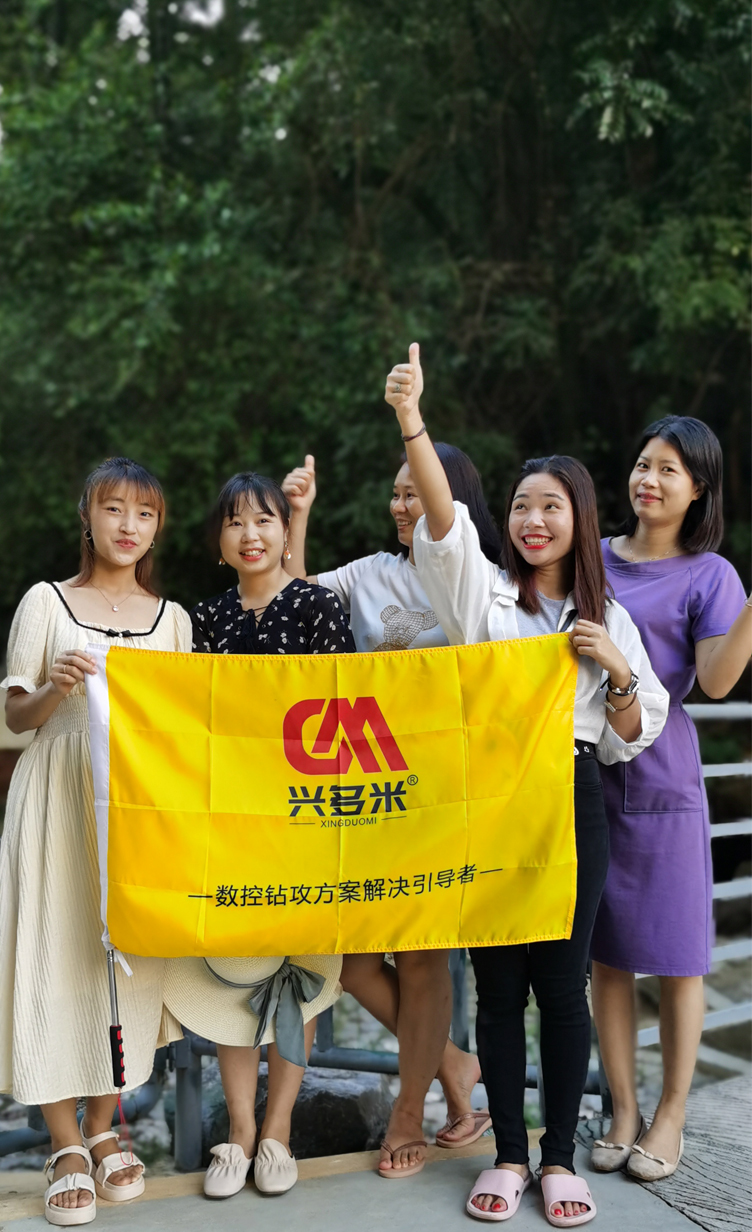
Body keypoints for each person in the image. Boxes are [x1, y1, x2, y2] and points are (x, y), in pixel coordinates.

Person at [385, 344, 669, 1225]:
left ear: (580, 518)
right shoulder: (482, 600)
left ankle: (558, 1158)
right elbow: (442, 525)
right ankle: (508, 1154)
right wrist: (412, 421)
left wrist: (616, 667)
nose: (534, 520)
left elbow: (631, 735)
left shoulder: (607, 616)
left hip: (571, 797)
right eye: (520, 506)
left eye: (551, 506)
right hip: (490, 798)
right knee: (498, 986)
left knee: (563, 984)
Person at [281, 447, 502, 1175]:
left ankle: (410, 1113)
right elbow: (293, 598)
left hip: (439, 792)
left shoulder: (479, 578)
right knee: (353, 964)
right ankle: (455, 1065)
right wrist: (299, 515)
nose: (402, 506)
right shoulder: (369, 572)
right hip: (368, 791)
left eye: (415, 493)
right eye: (396, 493)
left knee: (423, 955)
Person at [0, 457, 192, 1227]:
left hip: (136, 812)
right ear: (88, 516)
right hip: (54, 801)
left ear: (157, 527)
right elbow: (17, 716)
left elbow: (183, 727)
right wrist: (57, 686)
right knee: (51, 957)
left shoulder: (172, 620)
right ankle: (64, 1144)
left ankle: (106, 1127)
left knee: (126, 962)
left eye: (144, 513)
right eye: (113, 509)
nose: (127, 525)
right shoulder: (45, 602)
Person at [163, 471, 354, 1201]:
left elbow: (344, 706)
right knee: (234, 972)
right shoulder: (205, 618)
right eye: (235, 522)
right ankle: (239, 1131)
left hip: (304, 819)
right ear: (219, 542)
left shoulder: (317, 606)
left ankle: (279, 1130)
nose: (251, 534)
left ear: (284, 531)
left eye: (265, 520)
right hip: (229, 818)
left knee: (301, 972)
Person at [589, 416, 752, 1182]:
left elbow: (716, 681)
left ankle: (672, 1115)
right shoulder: (592, 558)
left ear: (698, 490)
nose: (648, 480)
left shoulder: (710, 575)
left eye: (669, 471)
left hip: (666, 779)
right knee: (607, 957)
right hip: (587, 770)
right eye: (643, 463)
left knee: (680, 958)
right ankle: (623, 1109)